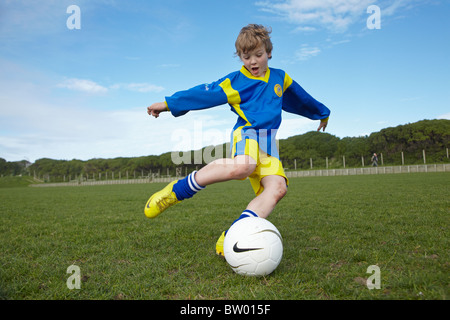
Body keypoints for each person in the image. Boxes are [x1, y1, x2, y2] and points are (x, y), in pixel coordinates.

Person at [145, 24, 331, 256]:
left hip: (269, 143)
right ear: (240, 57)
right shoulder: (236, 81)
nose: (253, 61)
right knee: (244, 166)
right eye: (246, 57)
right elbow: (205, 93)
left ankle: (234, 233)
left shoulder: (280, 78)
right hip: (247, 134)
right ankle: (178, 190)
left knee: (278, 188)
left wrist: (321, 112)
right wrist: (168, 104)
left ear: (269, 52)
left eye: (258, 55)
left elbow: (301, 98)